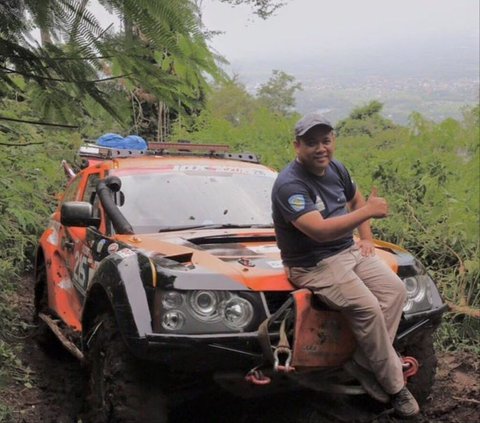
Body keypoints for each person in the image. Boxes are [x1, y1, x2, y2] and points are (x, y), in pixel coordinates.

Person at [271, 111, 420, 417]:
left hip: (348, 251)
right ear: (297, 146)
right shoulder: (290, 185)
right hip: (313, 263)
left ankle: (362, 364)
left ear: (333, 141)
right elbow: (319, 230)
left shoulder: (336, 167)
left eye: (326, 140)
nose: (321, 148)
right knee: (367, 308)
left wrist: (366, 238)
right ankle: (395, 388)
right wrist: (367, 215)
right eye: (311, 143)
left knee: (395, 291)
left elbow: (356, 199)